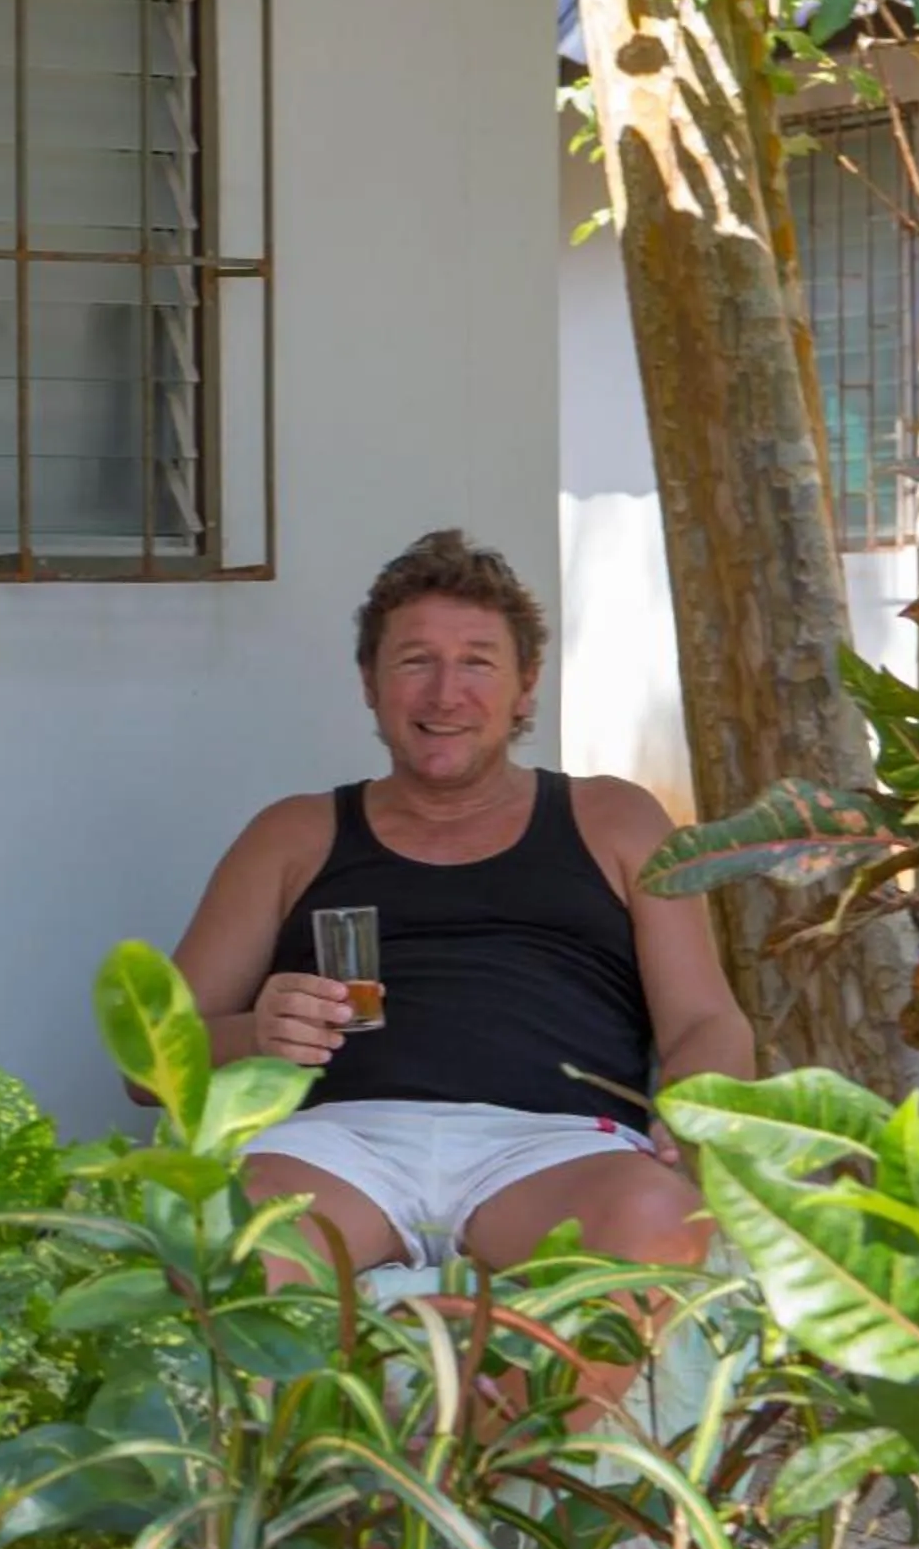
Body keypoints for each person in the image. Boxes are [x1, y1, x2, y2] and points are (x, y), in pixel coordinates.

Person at [158, 529, 751, 1318]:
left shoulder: (614, 818)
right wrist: (255, 1036)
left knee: (654, 1230)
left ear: (525, 687)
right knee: (227, 1245)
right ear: (370, 682)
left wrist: (698, 1104)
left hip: (558, 1143)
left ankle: (511, 1441)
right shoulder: (293, 835)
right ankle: (319, 1444)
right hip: (337, 1142)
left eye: (477, 661)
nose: (445, 695)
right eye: (414, 662)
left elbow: (707, 1020)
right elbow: (149, 1063)